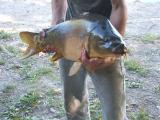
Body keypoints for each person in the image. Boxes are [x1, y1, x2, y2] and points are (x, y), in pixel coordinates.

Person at [51, 0, 128, 120]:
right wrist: (55, 32)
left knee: (114, 114)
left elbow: (118, 5)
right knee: (74, 111)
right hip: (69, 35)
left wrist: (111, 56)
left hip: (104, 40)